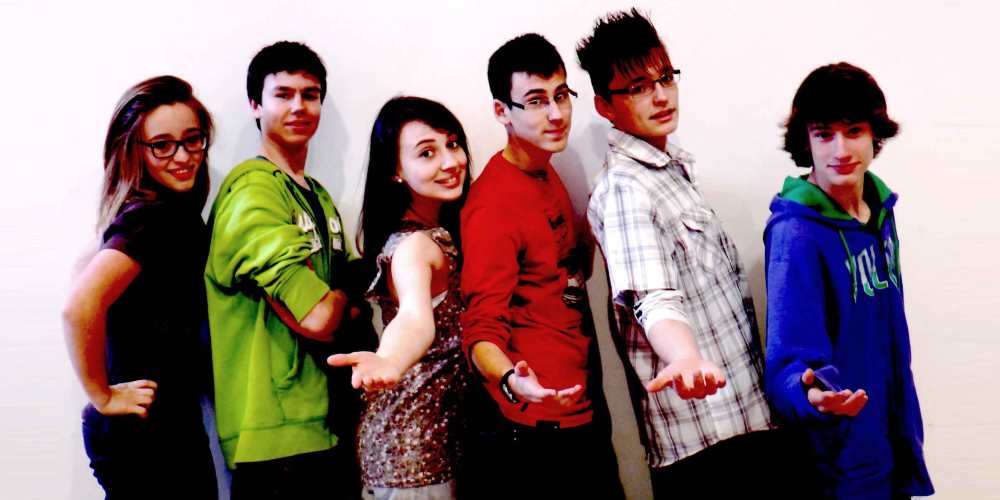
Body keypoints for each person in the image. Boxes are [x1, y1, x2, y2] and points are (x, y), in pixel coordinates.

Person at [578, 9, 781, 498]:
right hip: (705, 440)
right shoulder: (626, 188)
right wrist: (684, 355)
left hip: (740, 415)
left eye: (666, 78)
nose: (661, 95)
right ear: (605, 105)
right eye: (638, 87)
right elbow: (651, 297)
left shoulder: (669, 170)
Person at [459, 33, 624, 499]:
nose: (555, 114)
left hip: (580, 406)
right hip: (534, 428)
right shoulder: (492, 205)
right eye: (535, 101)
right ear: (502, 111)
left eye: (560, 95)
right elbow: (480, 327)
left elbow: (566, 273)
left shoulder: (545, 170)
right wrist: (512, 379)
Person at [204, 40, 371, 498]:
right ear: (255, 105)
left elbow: (349, 299)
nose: (299, 106)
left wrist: (341, 300)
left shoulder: (317, 194)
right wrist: (344, 299)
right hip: (273, 437)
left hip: (327, 424)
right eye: (282, 94)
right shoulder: (252, 191)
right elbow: (319, 317)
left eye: (310, 94)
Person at [764, 62, 934, 499]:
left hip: (893, 439)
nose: (841, 149)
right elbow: (786, 361)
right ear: (806, 140)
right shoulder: (796, 234)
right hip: (839, 462)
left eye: (854, 130)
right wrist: (811, 395)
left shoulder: (880, 212)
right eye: (824, 134)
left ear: (875, 134)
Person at [63, 75, 218, 499]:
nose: (183, 156)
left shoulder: (164, 213)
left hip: (153, 425)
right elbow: (78, 306)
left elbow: (84, 275)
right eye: (162, 145)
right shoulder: (154, 220)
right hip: (148, 432)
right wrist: (102, 395)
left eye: (192, 140)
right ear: (135, 150)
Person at [328, 96, 472, 500]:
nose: (450, 161)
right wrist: (390, 359)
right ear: (395, 170)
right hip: (411, 454)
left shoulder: (430, 232)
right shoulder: (416, 247)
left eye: (452, 144)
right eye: (427, 153)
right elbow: (413, 316)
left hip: (429, 445)